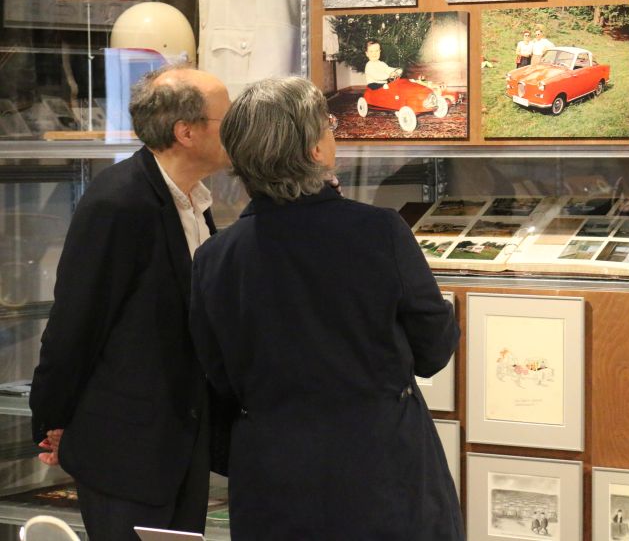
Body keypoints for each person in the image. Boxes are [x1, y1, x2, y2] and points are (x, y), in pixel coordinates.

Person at [189, 76, 463, 540]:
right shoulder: (379, 232)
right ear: (315, 150)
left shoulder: (215, 257)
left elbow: (217, 373)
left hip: (272, 477)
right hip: (380, 472)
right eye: (328, 125)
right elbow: (434, 347)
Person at [29, 65, 231, 541]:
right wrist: (52, 419)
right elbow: (76, 323)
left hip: (180, 442)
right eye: (228, 118)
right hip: (128, 450)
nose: (237, 128)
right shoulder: (119, 202)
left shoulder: (193, 199)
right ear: (186, 132)